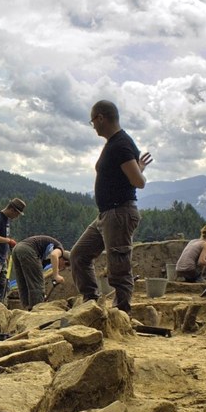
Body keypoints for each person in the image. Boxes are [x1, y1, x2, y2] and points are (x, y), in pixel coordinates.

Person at [71, 100, 153, 313]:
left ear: (100, 118)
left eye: (93, 121)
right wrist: (139, 167)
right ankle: (91, 304)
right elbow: (131, 173)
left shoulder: (121, 144)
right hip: (106, 214)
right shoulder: (116, 144)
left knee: (118, 267)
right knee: (79, 255)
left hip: (119, 213)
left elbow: (139, 182)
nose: (94, 126)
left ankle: (121, 314)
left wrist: (139, 171)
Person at [10, 235, 70, 310]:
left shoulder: (45, 259)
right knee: (37, 285)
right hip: (27, 249)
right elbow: (54, 255)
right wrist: (56, 275)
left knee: (23, 283)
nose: (63, 268)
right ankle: (37, 310)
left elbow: (36, 275)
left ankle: (26, 307)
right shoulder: (60, 249)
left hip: (17, 249)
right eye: (65, 265)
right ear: (64, 260)